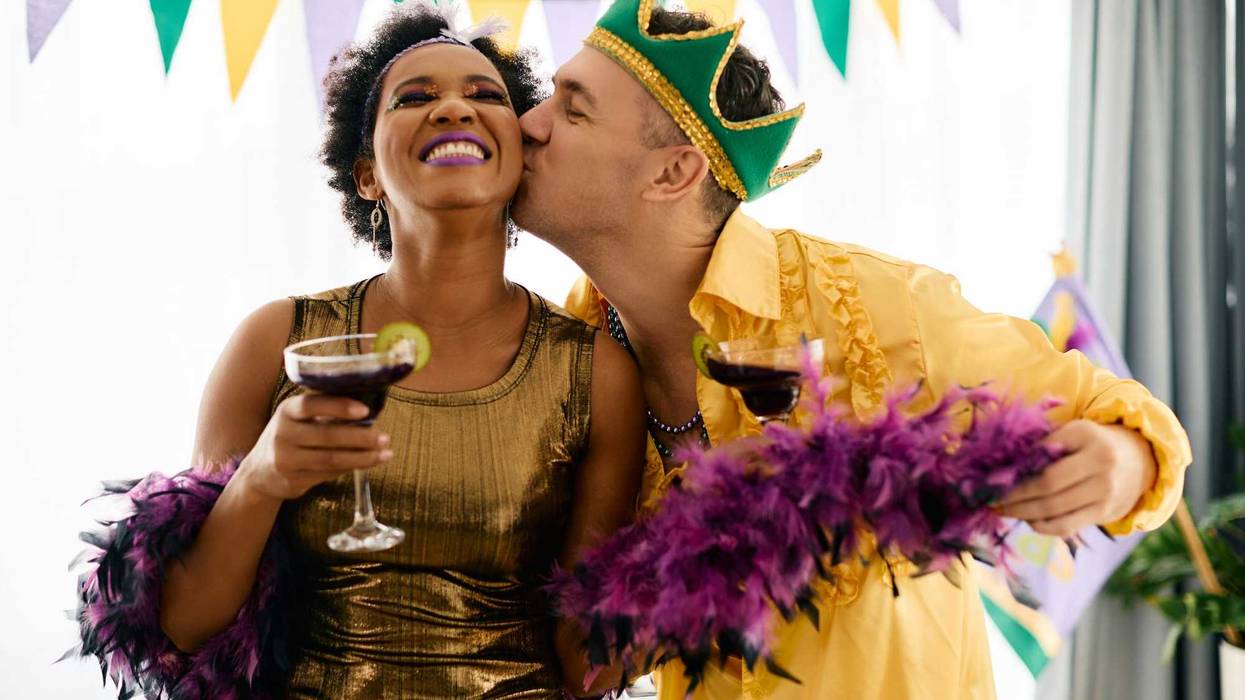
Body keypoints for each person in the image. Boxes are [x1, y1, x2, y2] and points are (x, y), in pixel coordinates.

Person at [511, 0, 1193, 697]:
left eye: (572, 110)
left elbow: (1120, 416)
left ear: (672, 173)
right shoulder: (562, 355)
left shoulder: (874, 304)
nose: (526, 123)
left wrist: (1121, 460)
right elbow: (588, 656)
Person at [77, 5, 643, 698]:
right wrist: (261, 479)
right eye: (415, 98)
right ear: (367, 173)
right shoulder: (278, 342)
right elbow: (184, 629)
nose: (453, 108)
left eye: (485, 94)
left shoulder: (595, 371)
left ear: (521, 155)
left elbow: (588, 666)